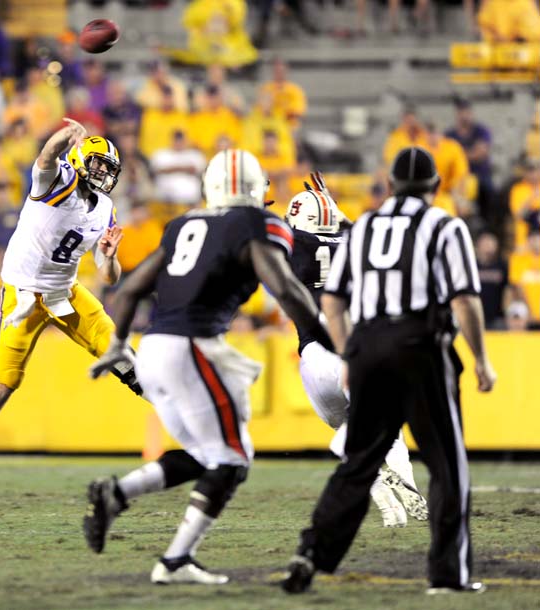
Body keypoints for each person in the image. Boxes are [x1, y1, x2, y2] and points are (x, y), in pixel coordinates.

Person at [86, 149, 320, 584]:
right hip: (192, 347)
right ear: (255, 188)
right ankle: (175, 561)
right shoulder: (254, 224)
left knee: (206, 455)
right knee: (233, 460)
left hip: (153, 347)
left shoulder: (184, 224)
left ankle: (118, 496)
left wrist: (118, 345)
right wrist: (323, 337)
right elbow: (285, 288)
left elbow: (131, 288)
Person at [282, 146, 496, 595]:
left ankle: (311, 553)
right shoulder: (444, 225)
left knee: (357, 463)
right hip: (422, 349)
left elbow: (333, 302)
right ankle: (447, 576)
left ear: (392, 186)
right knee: (447, 466)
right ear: (436, 188)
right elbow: (465, 299)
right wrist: (480, 358)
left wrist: (349, 353)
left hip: (368, 349)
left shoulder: (365, 229)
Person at [0, 119, 142, 514]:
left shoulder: (104, 208)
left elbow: (108, 274)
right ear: (82, 159)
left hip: (66, 290)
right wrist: (66, 136)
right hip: (24, 295)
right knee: (3, 384)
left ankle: (196, 439)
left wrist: (112, 255)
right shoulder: (57, 181)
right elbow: (46, 156)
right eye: (98, 164)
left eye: (109, 169)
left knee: (125, 356)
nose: (104, 174)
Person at [285, 176, 427, 528]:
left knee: (357, 432)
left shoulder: (291, 241)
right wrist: (330, 205)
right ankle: (403, 477)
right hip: (352, 351)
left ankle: (389, 510)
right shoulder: (356, 238)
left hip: (313, 361)